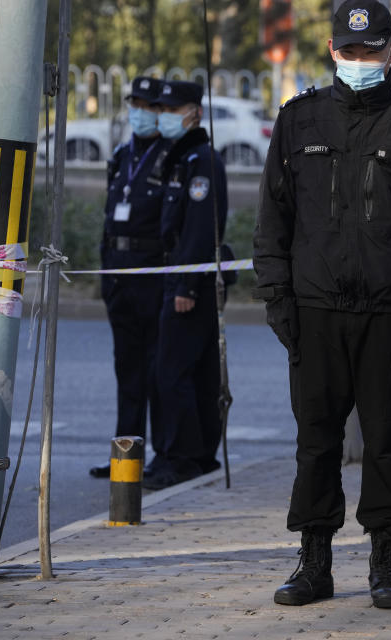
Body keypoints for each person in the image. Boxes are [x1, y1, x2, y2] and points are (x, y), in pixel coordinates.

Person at [253, 0, 391, 610]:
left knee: (388, 442)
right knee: (315, 442)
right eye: (350, 51)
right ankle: (314, 564)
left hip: (390, 312)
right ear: (331, 49)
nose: (361, 61)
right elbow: (273, 215)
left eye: (372, 52)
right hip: (315, 311)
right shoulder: (298, 120)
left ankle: (384, 564)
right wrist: (275, 295)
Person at [143, 80, 228, 491]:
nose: (163, 116)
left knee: (172, 372)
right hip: (176, 276)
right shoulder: (180, 157)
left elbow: (199, 231)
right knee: (192, 371)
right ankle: (193, 455)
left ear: (194, 112)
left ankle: (179, 457)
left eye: (171, 109)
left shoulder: (202, 160)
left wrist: (187, 286)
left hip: (187, 282)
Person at [91, 76, 171, 479]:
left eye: (149, 106)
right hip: (119, 276)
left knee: (157, 370)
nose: (140, 112)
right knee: (127, 369)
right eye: (135, 104)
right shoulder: (122, 154)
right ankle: (126, 455)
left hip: (152, 275)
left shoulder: (170, 155)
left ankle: (160, 456)